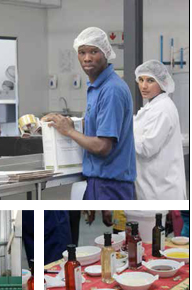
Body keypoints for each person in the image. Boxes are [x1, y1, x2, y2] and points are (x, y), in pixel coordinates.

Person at [42, 27, 136, 200]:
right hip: (99, 182)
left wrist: (69, 131)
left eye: (94, 51)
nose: (87, 58)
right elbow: (94, 124)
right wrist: (61, 122)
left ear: (106, 52)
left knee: (114, 229)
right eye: (82, 52)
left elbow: (102, 146)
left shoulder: (111, 90)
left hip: (111, 186)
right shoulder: (97, 87)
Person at [134, 60, 186, 200]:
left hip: (162, 190)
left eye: (150, 80)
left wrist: (123, 135)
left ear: (162, 83)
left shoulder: (162, 109)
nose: (143, 86)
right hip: (152, 186)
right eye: (141, 80)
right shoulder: (153, 106)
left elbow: (146, 148)